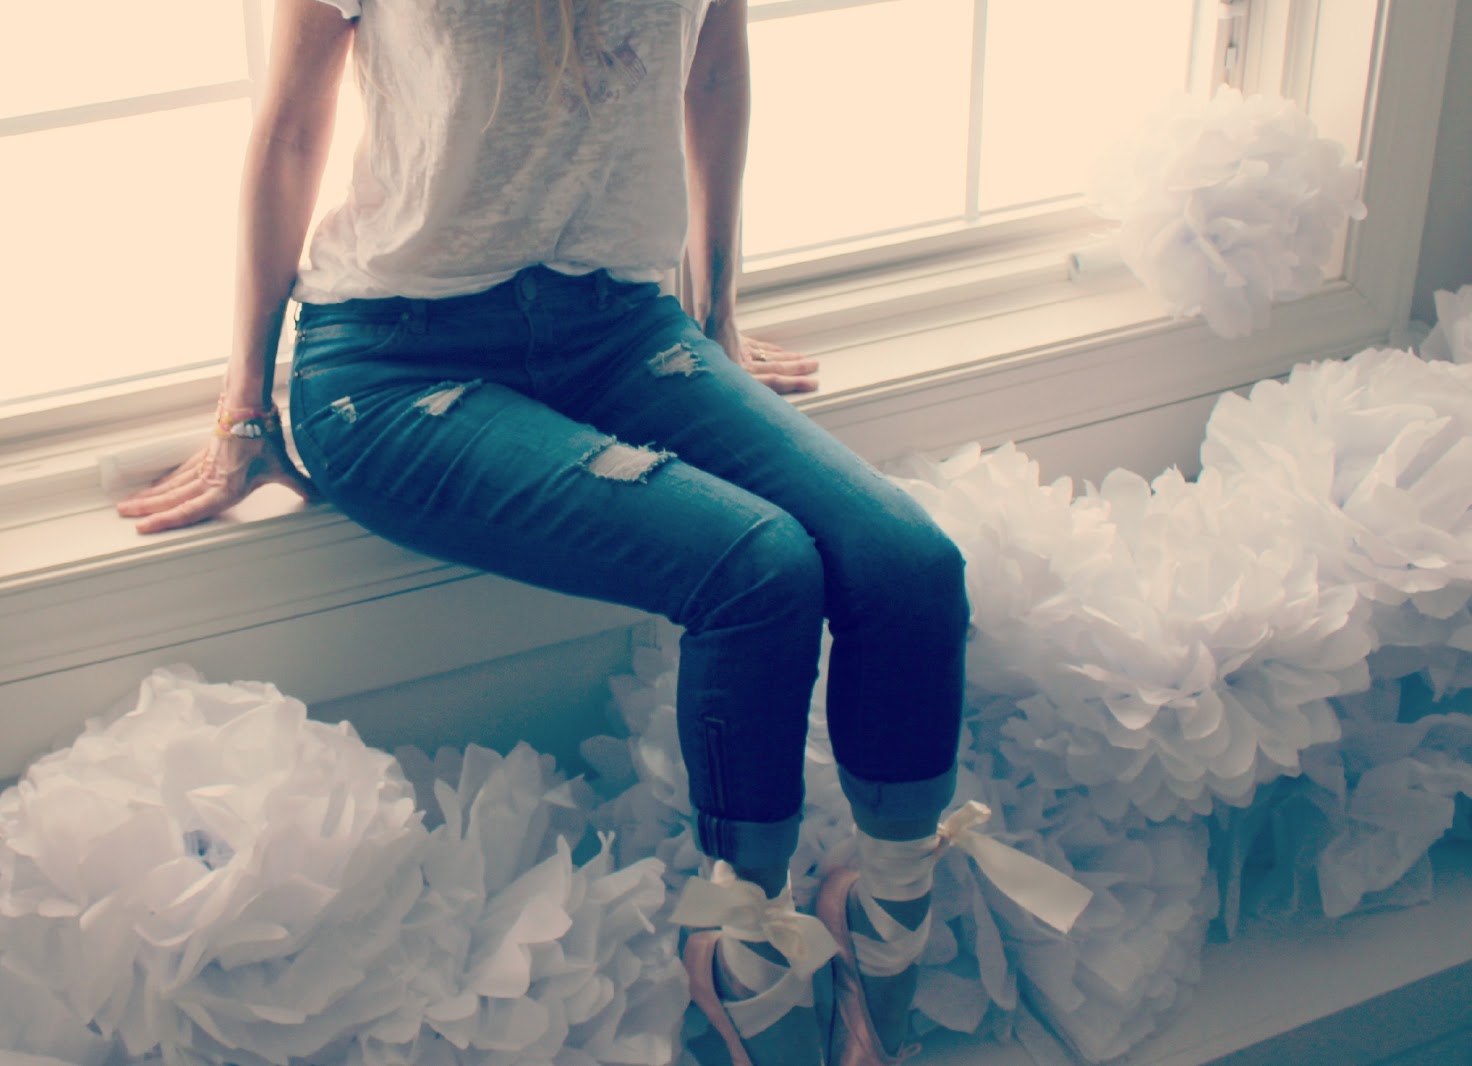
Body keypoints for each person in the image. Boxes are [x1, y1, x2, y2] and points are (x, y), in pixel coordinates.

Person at [116, 1, 969, 1063]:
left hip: (619, 327)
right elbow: (292, 129)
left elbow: (711, 74)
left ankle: (885, 928)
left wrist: (717, 310)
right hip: (391, 362)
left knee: (911, 568)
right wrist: (244, 401)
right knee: (760, 572)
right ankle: (744, 954)